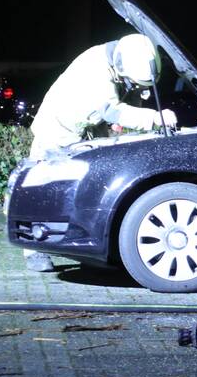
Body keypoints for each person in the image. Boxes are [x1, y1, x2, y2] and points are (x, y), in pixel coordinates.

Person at [23, 33, 177, 272]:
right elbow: (112, 111)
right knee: (46, 190)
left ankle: (83, 246)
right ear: (120, 66)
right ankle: (33, 250)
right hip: (58, 131)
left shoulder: (118, 59)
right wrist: (154, 118)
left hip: (85, 129)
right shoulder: (95, 72)